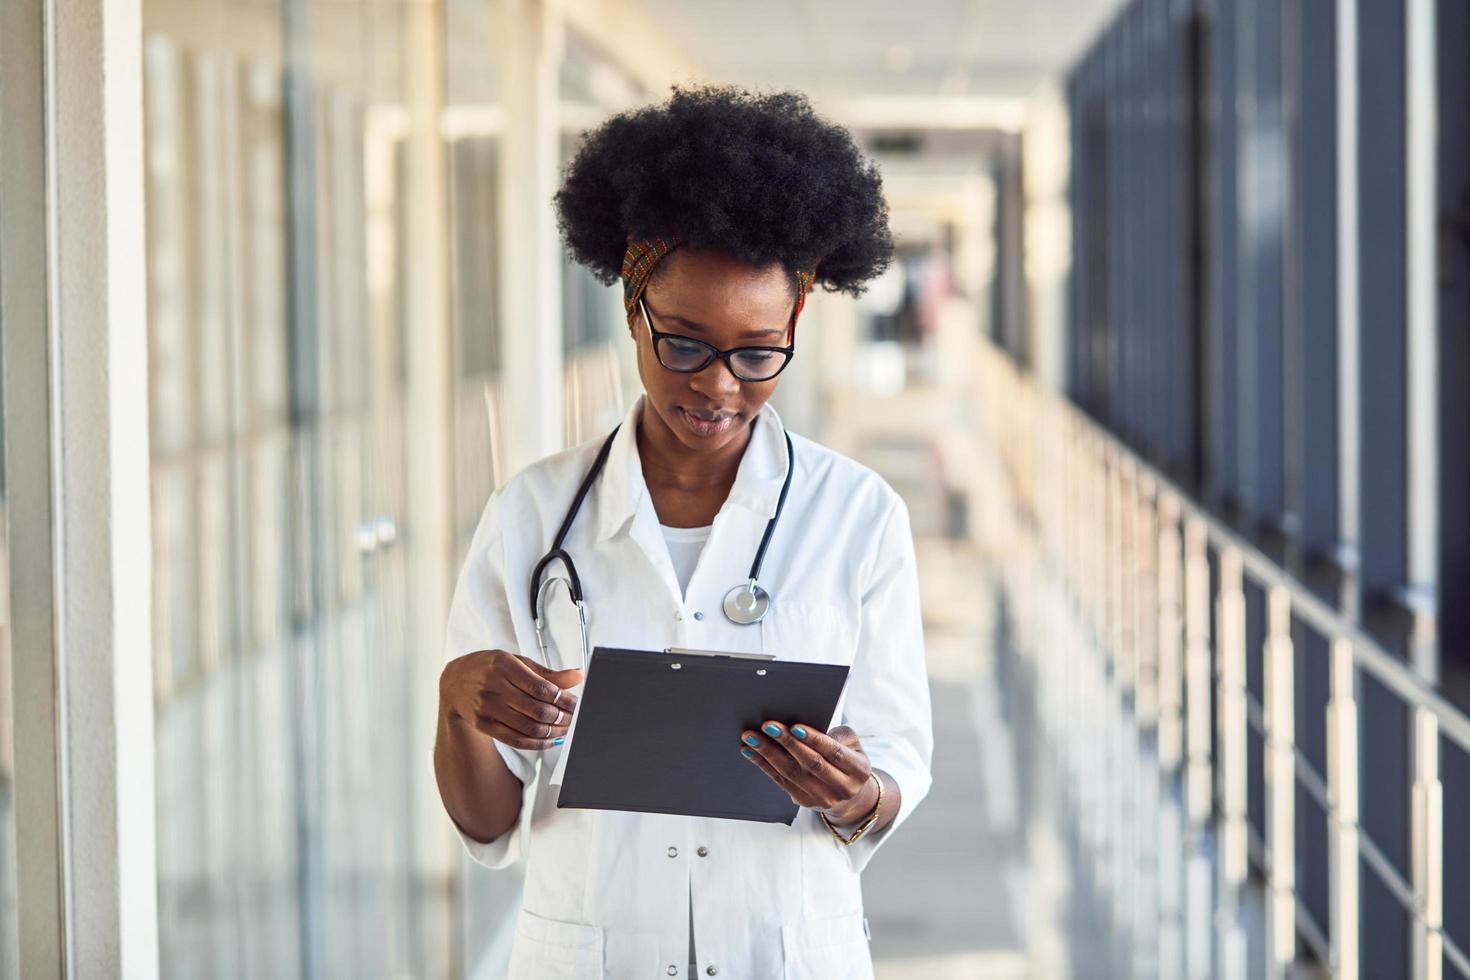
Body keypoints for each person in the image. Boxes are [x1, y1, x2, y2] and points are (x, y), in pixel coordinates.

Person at [433, 85, 932, 980]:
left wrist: (861, 794)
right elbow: (487, 820)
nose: (718, 386)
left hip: (786, 952)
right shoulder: (532, 517)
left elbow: (894, 757)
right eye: (685, 344)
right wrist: (460, 700)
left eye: (756, 352)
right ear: (633, 306)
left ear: (797, 323)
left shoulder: (858, 516)